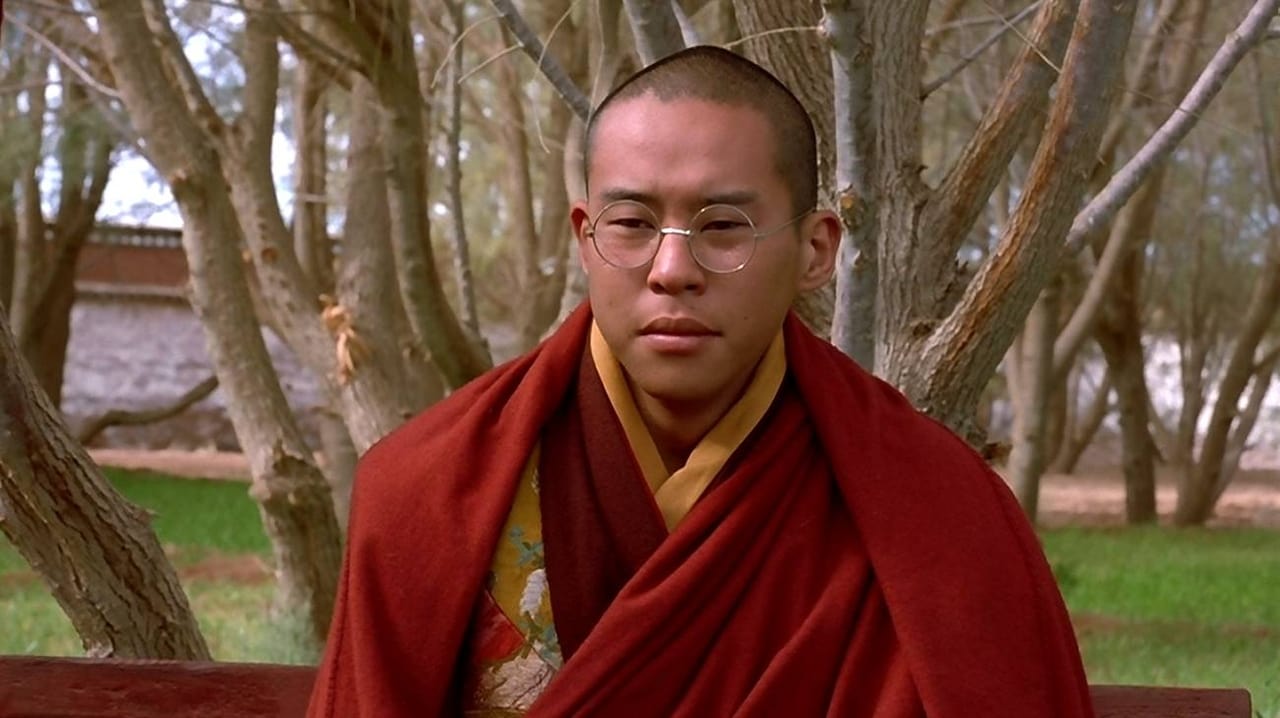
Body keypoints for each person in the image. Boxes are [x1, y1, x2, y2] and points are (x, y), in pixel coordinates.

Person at [307, 46, 1093, 717]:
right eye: (632, 224)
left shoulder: (937, 517)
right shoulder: (425, 494)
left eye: (723, 227)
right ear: (586, 239)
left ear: (816, 250)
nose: (672, 269)